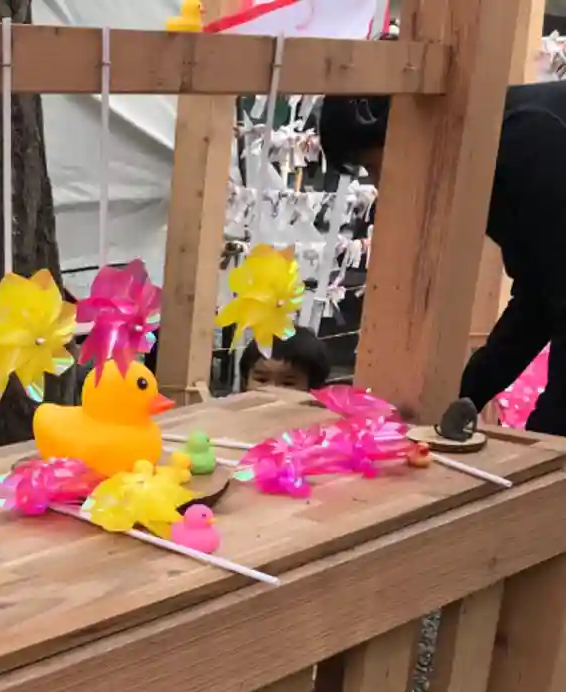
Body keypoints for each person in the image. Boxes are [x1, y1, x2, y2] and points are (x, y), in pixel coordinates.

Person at [318, 83, 566, 434]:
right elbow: (535, 297)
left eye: (373, 166)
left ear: (406, 134)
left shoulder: (520, 144)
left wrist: (549, 435)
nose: (379, 183)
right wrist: (465, 395)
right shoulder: (478, 157)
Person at [238, 326, 332, 393]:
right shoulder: (232, 413)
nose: (271, 390)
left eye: (287, 383)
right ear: (245, 381)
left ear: (312, 388)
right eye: (261, 380)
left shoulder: (324, 415)